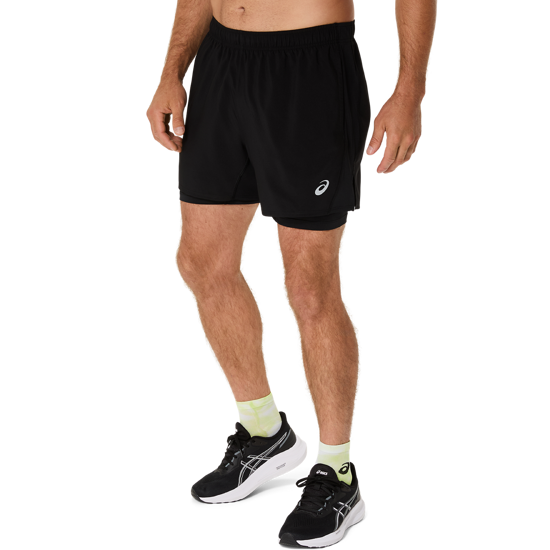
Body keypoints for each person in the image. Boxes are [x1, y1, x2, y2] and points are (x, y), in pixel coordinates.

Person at [144, 1, 438, 546]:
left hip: (310, 68)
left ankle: (338, 472)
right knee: (201, 261)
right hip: (221, 62)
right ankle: (265, 431)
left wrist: (409, 93)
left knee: (310, 287)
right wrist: (171, 70)